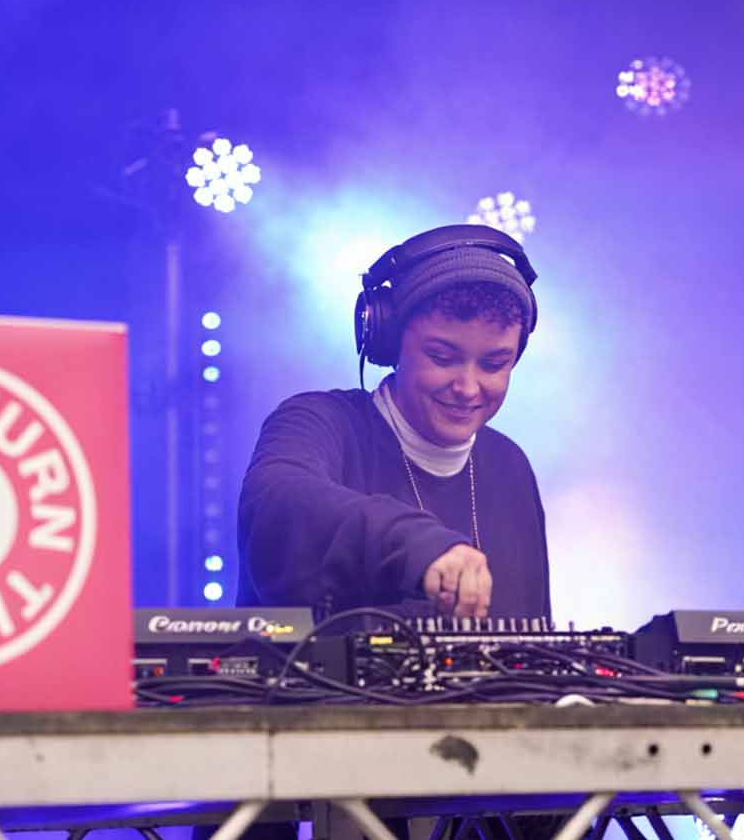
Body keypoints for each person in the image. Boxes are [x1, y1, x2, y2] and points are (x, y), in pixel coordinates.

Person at [236, 224, 551, 621]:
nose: (468, 388)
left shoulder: (510, 465)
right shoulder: (316, 423)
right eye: (441, 357)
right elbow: (279, 506)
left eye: (494, 364)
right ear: (389, 343)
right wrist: (421, 548)